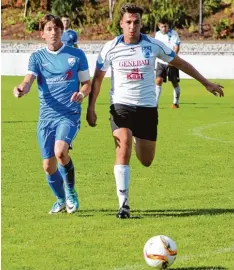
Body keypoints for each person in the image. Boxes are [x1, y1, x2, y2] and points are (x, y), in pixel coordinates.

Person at [86, 3, 224, 219]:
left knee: (146, 160)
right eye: (128, 22)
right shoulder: (110, 48)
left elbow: (182, 63)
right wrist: (91, 108)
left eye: (136, 22)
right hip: (120, 107)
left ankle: (133, 138)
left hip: (147, 109)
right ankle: (124, 205)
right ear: (121, 23)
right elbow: (98, 79)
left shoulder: (153, 45)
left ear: (142, 23)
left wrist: (206, 83)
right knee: (122, 149)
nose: (132, 26)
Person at [13, 14, 91, 214]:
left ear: (62, 32)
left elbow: (87, 83)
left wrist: (82, 94)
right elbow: (29, 80)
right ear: (42, 34)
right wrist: (22, 88)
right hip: (46, 117)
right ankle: (60, 199)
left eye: (57, 28)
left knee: (60, 152)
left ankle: (71, 192)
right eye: (49, 28)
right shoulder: (37, 57)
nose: (54, 31)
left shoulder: (76, 55)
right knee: (48, 166)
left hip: (69, 114)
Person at [155, 18, 181, 108]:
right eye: (162, 26)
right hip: (160, 62)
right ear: (159, 26)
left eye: (165, 26)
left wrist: (172, 59)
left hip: (171, 62)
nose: (164, 28)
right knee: (158, 80)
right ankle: (155, 104)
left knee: (174, 82)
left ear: (168, 26)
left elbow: (176, 47)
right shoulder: (157, 35)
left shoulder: (173, 34)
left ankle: (175, 103)